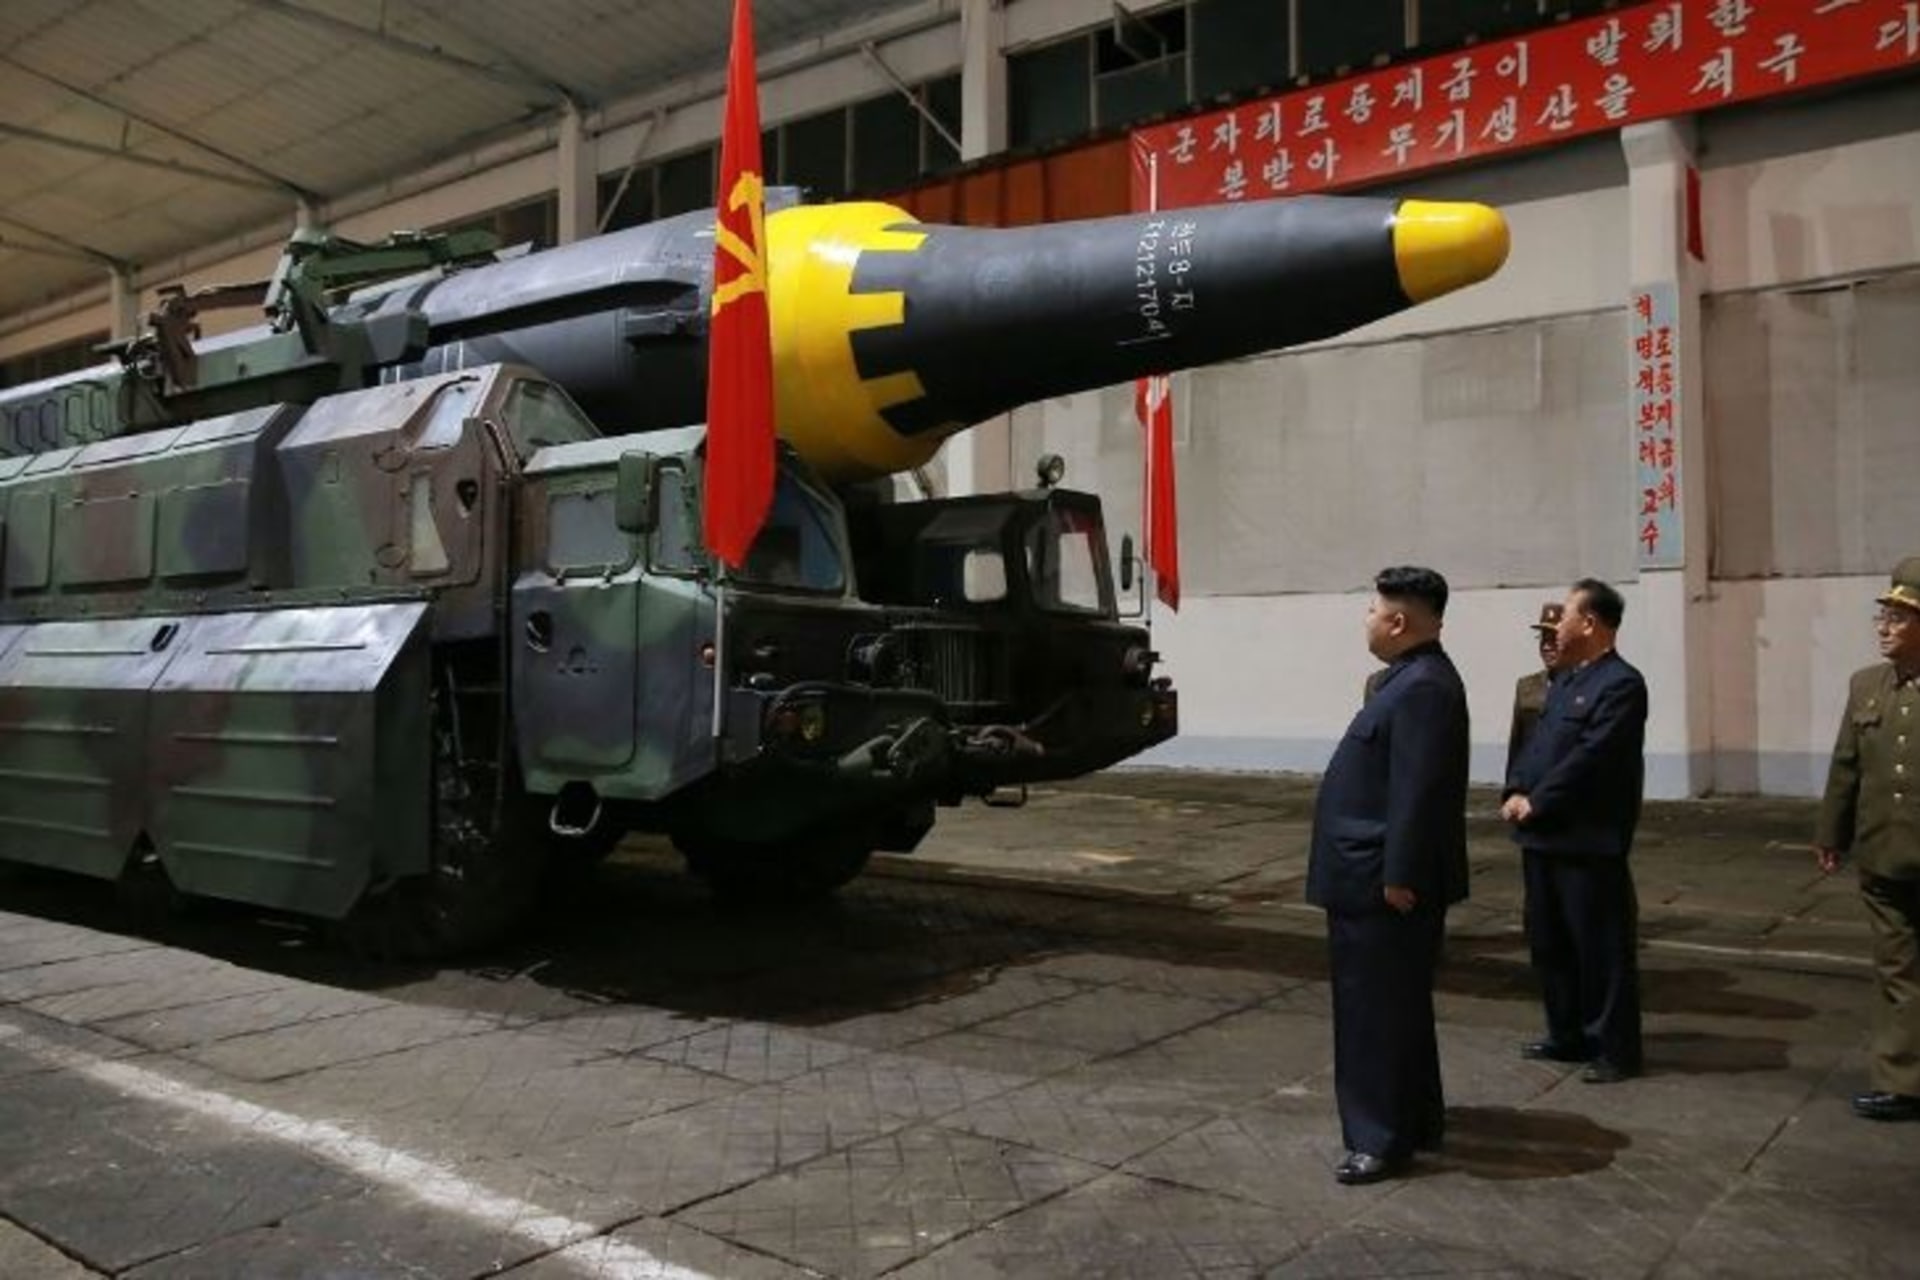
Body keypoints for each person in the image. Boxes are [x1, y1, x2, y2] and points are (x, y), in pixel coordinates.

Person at [1306, 566, 1470, 1185]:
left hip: (1381, 883)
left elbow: (1418, 791)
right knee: (1398, 1010)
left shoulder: (1422, 686)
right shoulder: (1411, 679)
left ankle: (1378, 1137)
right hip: (1374, 875)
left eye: (1373, 609)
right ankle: (1417, 1118)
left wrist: (1399, 874)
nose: (1367, 620)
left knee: (1371, 1014)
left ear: (1398, 621)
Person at [1501, 578, 1648, 1083]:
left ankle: (1614, 1047)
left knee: (1600, 948)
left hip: (1587, 839)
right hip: (1542, 836)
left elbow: (1591, 759)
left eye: (1563, 615)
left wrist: (1537, 801)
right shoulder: (1565, 681)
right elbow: (1538, 747)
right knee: (1550, 942)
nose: (1555, 626)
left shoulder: (1621, 684)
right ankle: (1566, 1033)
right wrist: (1515, 789)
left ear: (1589, 623)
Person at [1814, 556, 1920, 1122]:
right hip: (1884, 854)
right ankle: (1901, 1082)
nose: (1884, 627)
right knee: (1896, 970)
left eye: (1899, 618)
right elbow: (1845, 766)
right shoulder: (1866, 685)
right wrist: (1832, 831)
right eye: (1883, 615)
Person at [1506, 602, 1565, 776]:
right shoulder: (1526, 686)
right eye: (1543, 639)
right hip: (1529, 786)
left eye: (1553, 639)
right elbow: (1516, 745)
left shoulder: (1583, 686)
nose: (1547, 646)